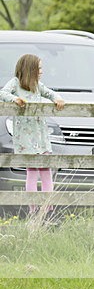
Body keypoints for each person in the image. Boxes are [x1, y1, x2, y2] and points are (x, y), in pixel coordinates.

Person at [0, 54, 65, 215]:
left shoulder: (37, 85)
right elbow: (3, 93)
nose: (42, 71)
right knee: (32, 171)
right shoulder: (15, 83)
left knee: (46, 170)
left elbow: (50, 93)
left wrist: (58, 98)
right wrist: (15, 99)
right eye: (39, 68)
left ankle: (48, 208)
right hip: (25, 136)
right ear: (30, 69)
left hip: (40, 133)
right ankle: (33, 208)